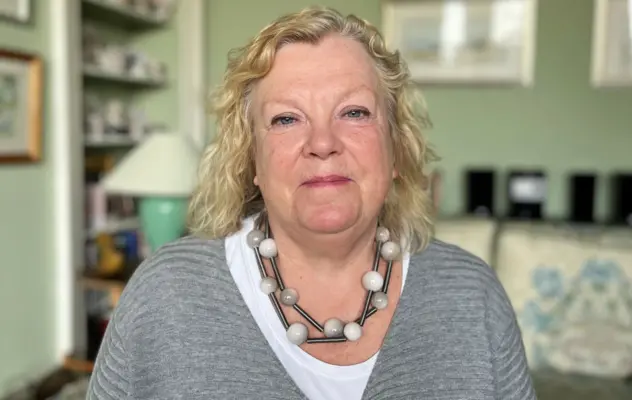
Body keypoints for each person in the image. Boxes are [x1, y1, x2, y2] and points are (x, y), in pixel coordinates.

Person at [87, 7, 535, 400]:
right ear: (252, 161)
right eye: (286, 119)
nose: (322, 143)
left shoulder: (473, 295)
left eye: (354, 113)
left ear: (396, 147)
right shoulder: (165, 295)